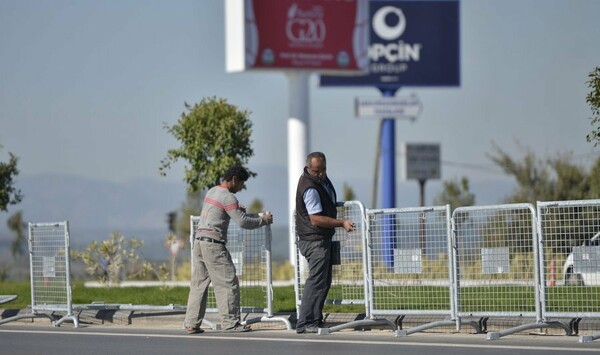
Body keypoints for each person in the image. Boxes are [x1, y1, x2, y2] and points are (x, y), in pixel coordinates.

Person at [184, 165, 273, 334]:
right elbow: (243, 222)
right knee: (227, 282)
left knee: (198, 284)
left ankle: (191, 323)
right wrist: (263, 220)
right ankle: (231, 323)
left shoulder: (212, 191)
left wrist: (236, 209)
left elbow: (219, 211)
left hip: (199, 242)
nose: (241, 187)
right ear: (234, 179)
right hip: (213, 244)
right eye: (241, 183)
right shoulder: (229, 197)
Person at [294, 152, 355, 334]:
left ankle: (315, 319)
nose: (320, 174)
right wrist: (341, 222)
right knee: (316, 281)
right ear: (308, 168)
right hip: (314, 240)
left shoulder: (321, 181)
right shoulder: (310, 187)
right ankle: (306, 322)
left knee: (323, 281)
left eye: (322, 170)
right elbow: (316, 219)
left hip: (321, 238)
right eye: (316, 171)